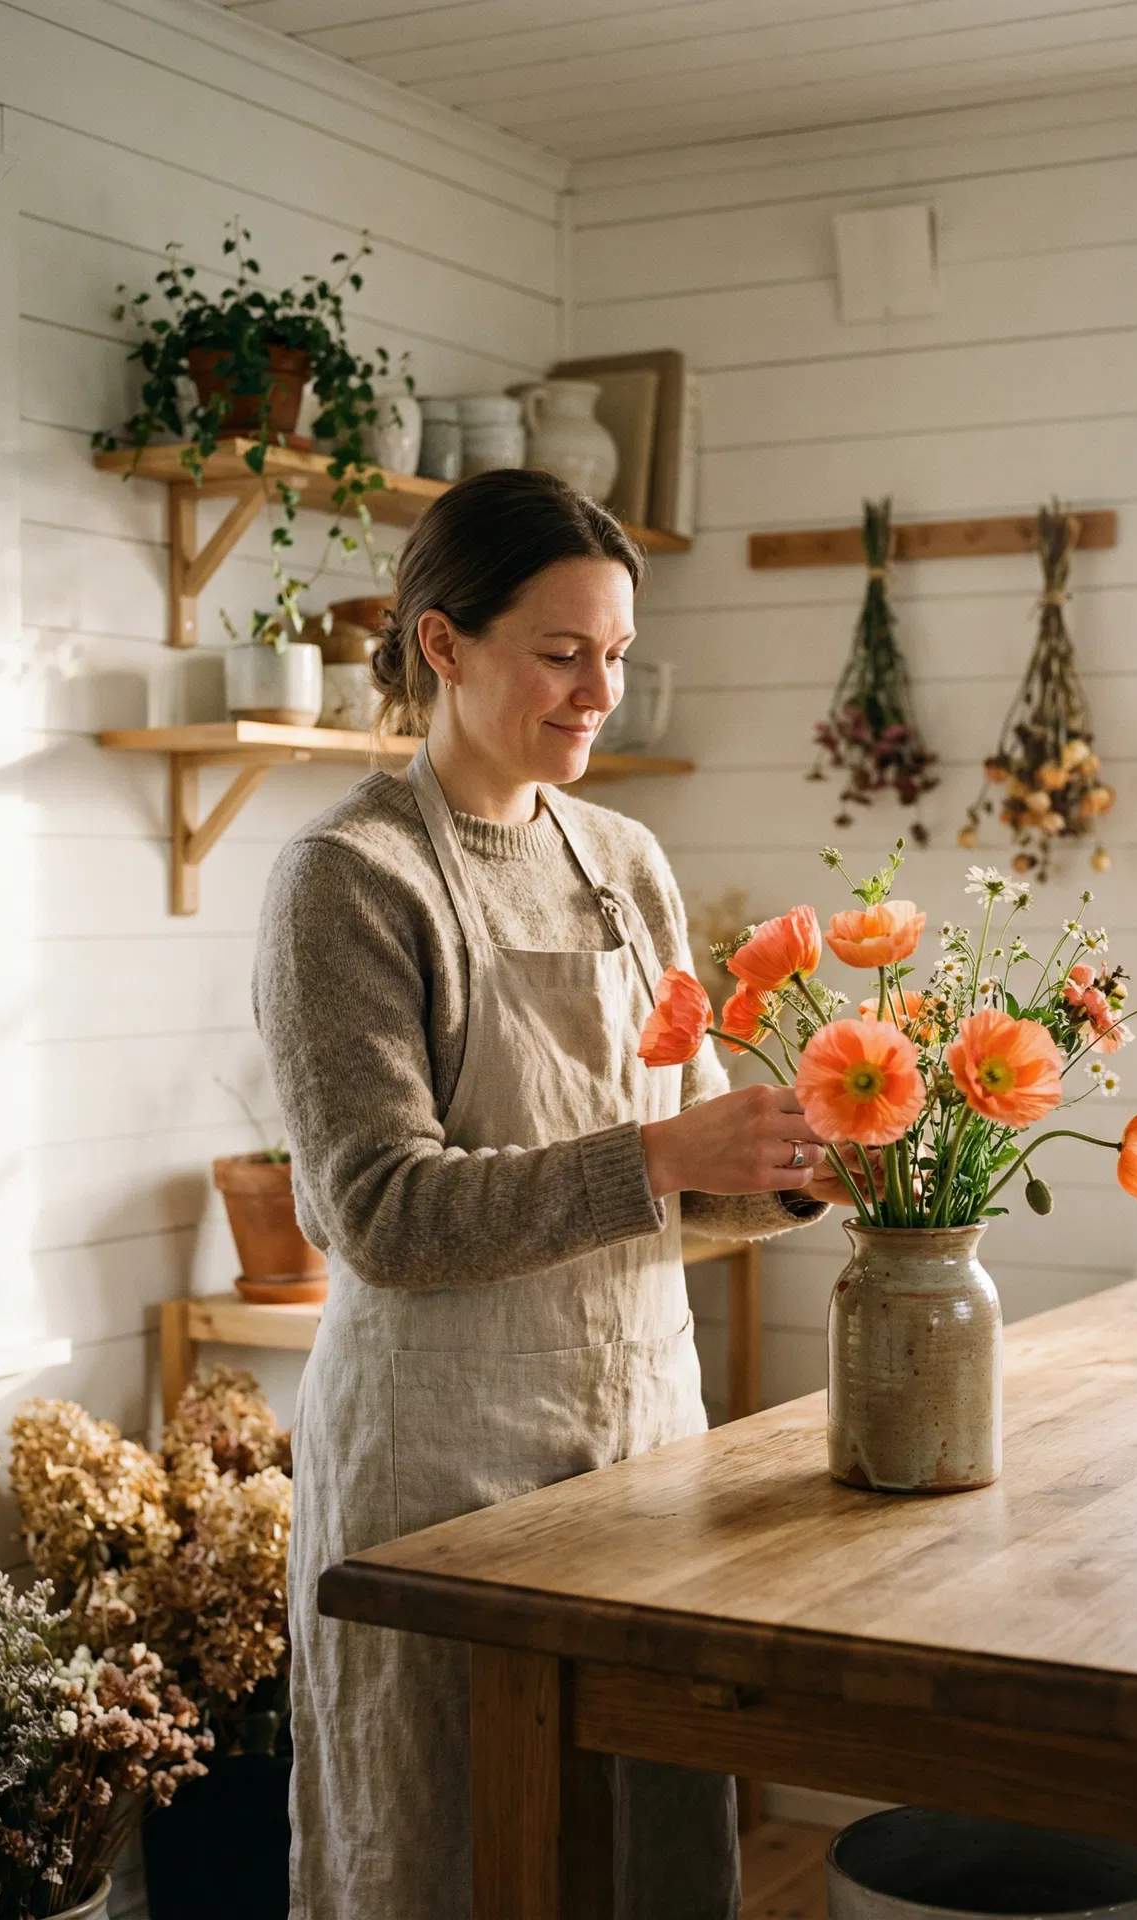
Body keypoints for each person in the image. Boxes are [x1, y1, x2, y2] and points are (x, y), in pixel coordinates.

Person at [254, 468, 853, 1920]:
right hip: (438, 1475)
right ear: (442, 645)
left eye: (620, 656)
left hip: (642, 1444)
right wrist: (663, 1157)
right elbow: (382, 1216)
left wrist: (782, 1167)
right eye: (563, 652)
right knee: (450, 1856)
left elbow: (667, 1180)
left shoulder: (624, 861)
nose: (600, 695)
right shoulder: (347, 879)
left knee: (644, 1856)